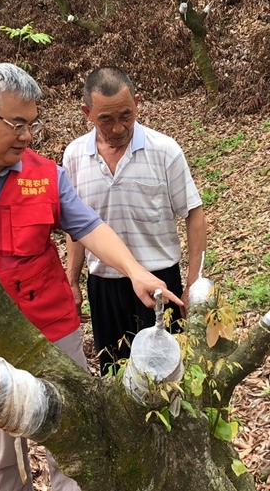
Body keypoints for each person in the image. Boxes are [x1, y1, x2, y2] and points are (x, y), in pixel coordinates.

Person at [0, 63, 182, 491]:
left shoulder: (44, 176)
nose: (26, 136)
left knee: (76, 440)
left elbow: (90, 226)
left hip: (51, 334)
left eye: (31, 125)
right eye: (17, 124)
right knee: (5, 456)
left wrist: (135, 272)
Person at [63, 66, 207, 375]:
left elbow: (194, 214)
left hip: (159, 283)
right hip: (103, 287)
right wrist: (72, 281)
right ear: (87, 112)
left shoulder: (164, 151)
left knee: (166, 376)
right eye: (106, 119)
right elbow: (76, 227)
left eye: (126, 116)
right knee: (114, 372)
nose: (118, 128)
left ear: (138, 103)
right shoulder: (74, 156)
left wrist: (193, 282)